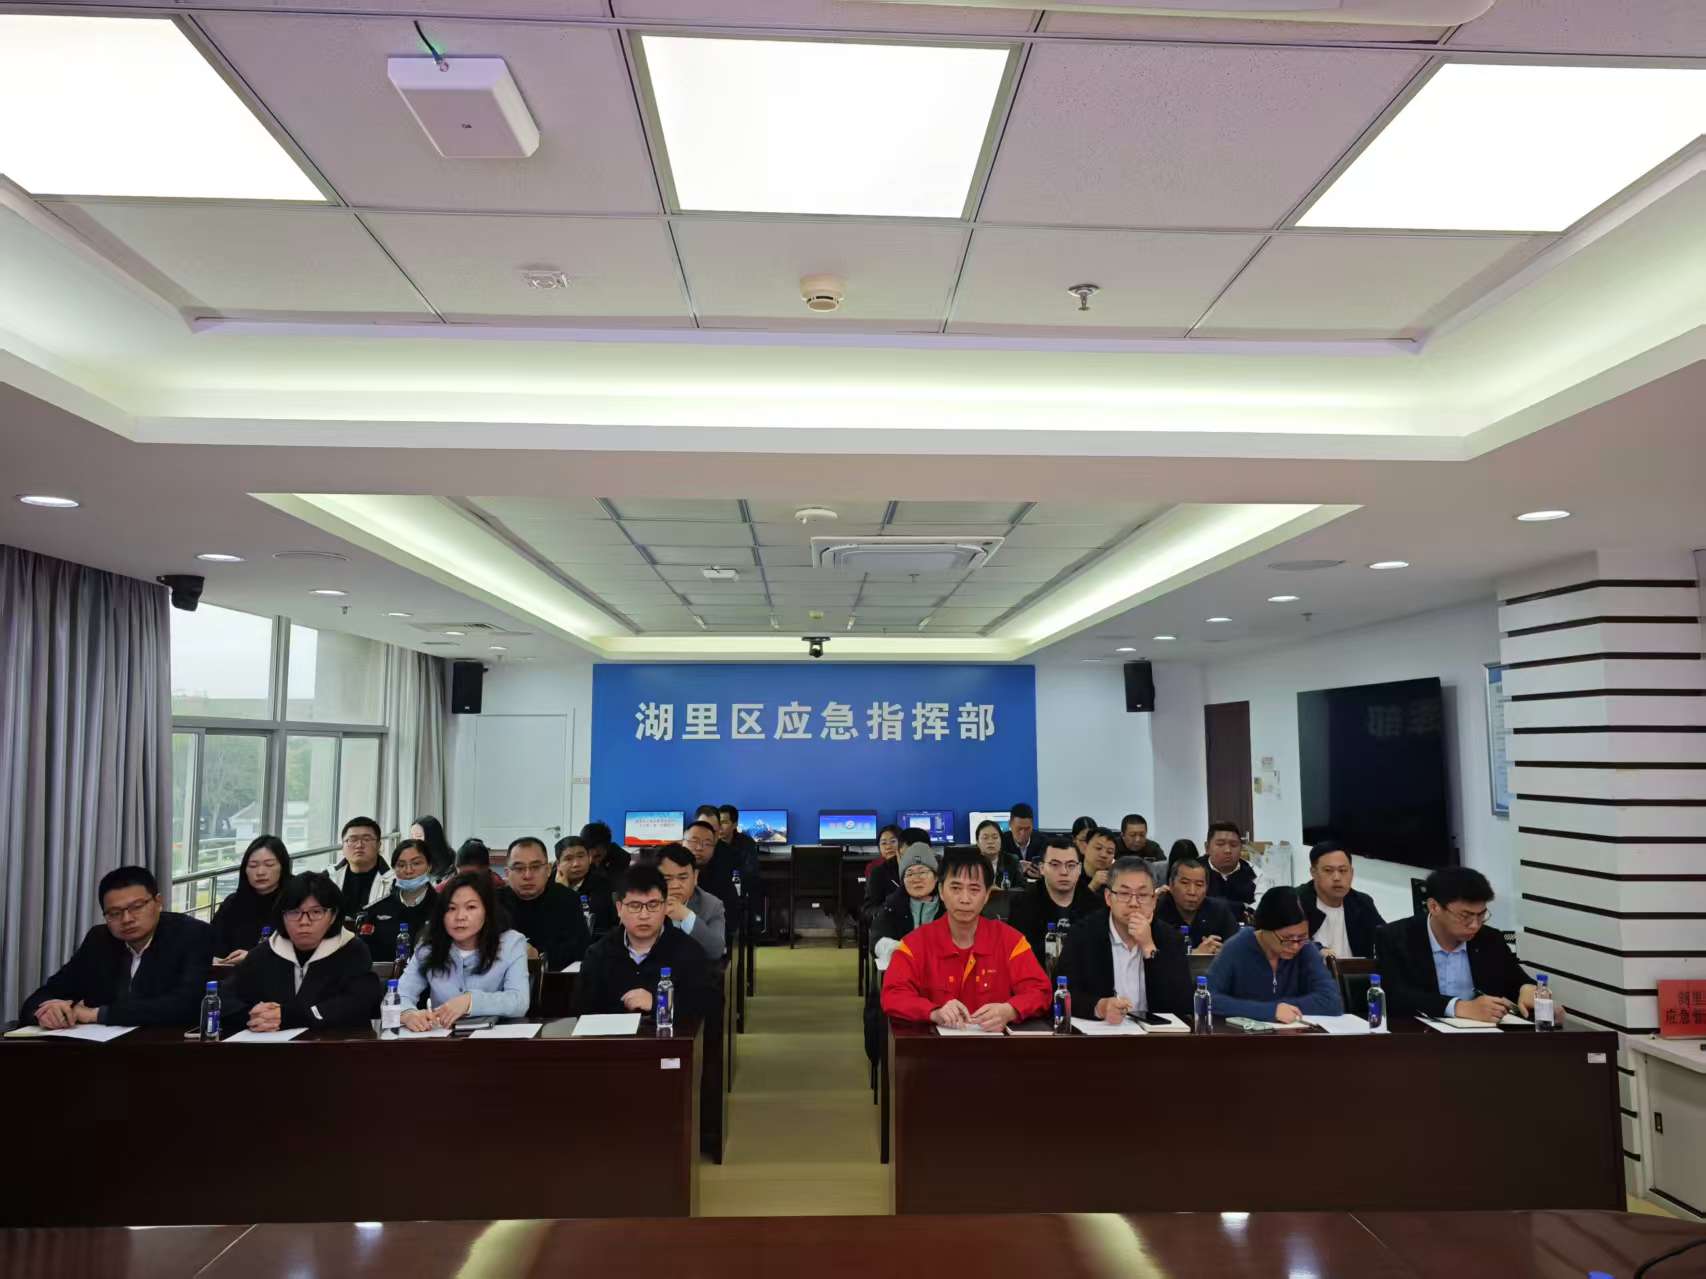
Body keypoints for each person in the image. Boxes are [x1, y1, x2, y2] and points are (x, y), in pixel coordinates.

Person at [20, 866, 213, 1028]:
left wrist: (96, 1015)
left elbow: (188, 1005)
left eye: (137, 907)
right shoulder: (99, 939)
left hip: (167, 1049)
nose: (127, 919)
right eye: (114, 913)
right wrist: (46, 1012)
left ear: (158, 902)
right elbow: (45, 994)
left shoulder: (192, 934)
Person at [879, 848, 1050, 1030]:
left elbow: (1040, 991)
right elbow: (892, 995)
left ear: (987, 895)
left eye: (974, 889)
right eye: (955, 888)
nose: (965, 899)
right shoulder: (914, 944)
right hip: (934, 1045)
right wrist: (933, 1012)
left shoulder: (1011, 941)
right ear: (941, 891)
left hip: (996, 1045)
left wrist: (1010, 1010)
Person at [1374, 866, 1558, 1024]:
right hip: (1419, 1040)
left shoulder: (1490, 939)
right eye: (1465, 916)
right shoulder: (1395, 937)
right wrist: (1460, 1007)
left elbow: (1517, 980)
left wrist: (1529, 990)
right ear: (1434, 907)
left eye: (1481, 915)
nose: (1475, 925)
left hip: (1484, 1041)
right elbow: (1394, 996)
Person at [219, 871, 382, 1033]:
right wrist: (254, 1016)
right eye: (294, 912)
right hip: (268, 1045)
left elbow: (358, 1003)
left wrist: (288, 1017)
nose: (304, 922)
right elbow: (225, 997)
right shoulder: (265, 952)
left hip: (331, 1044)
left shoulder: (352, 950)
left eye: (316, 912)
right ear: (282, 916)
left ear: (333, 916)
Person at [573, 863, 717, 1019]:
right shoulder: (598, 954)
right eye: (635, 906)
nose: (644, 915)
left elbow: (708, 1005)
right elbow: (580, 1009)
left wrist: (658, 1003)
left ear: (665, 907)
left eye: (653, 905)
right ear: (619, 909)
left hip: (668, 1034)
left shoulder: (688, 951)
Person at [1058, 857, 1192, 1021]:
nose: (1133, 903)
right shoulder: (1082, 935)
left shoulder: (1171, 939)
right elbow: (1062, 993)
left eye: (1142, 895)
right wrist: (1099, 1007)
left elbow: (1182, 1004)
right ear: (1108, 897)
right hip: (1102, 1032)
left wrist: (1149, 948)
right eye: (1124, 894)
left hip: (1154, 1034)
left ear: (1154, 901)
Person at [397, 871, 530, 1029]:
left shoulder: (511, 944)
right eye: (451, 908)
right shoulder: (428, 947)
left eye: (471, 907)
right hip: (442, 1038)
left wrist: (470, 1001)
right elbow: (401, 994)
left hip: (496, 1038)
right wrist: (408, 1013)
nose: (460, 916)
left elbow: (519, 1001)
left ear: (487, 911)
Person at [1205, 886, 1343, 1023]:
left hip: (1294, 1033)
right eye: (1287, 938)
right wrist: (1270, 1011)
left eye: (1302, 937)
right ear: (1264, 928)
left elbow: (1332, 1001)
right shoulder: (1236, 947)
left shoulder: (1306, 948)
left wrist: (1283, 1008)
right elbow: (1207, 998)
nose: (1295, 946)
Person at [864, 843, 940, 1063]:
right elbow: (877, 939)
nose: (916, 879)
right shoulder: (892, 905)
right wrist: (904, 952)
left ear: (936, 877)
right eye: (909, 874)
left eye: (923, 872)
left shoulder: (948, 906)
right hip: (903, 980)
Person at [498, 836, 591, 971]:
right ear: (507, 873)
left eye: (535, 867)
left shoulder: (568, 899)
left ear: (548, 870)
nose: (527, 875)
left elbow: (580, 952)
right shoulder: (493, 903)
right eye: (519, 868)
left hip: (554, 978)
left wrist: (539, 956)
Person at [1006, 836, 1097, 966]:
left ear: (1079, 869)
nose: (1064, 872)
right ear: (1042, 868)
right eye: (1055, 865)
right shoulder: (1022, 905)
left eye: (1071, 865)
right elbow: (1016, 956)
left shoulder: (1095, 906)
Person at [354, 838, 438, 964]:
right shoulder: (374, 911)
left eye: (416, 863)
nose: (409, 871)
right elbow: (362, 956)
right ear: (394, 869)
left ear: (429, 866)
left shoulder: (445, 907)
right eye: (401, 865)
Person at [1297, 841, 1385, 960]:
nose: (1337, 878)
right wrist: (1317, 950)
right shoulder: (1296, 901)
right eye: (1328, 870)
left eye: (1343, 870)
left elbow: (1386, 937)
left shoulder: (1362, 903)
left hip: (1355, 971)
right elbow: (1288, 941)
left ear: (1352, 873)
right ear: (1313, 873)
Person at [210, 835, 291, 964]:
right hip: (230, 971)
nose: (260, 872)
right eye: (253, 866)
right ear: (245, 870)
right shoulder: (233, 903)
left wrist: (253, 957)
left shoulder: (296, 900)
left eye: (269, 865)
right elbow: (212, 942)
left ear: (283, 866)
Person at [1154, 856, 1242, 955]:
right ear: (1171, 884)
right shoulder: (1156, 912)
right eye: (1185, 883)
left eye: (1199, 885)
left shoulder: (1219, 911)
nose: (1192, 892)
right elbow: (1152, 956)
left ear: (1207, 888)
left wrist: (1224, 953)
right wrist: (1194, 954)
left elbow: (1238, 950)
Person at [658, 842, 726, 961]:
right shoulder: (644, 902)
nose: (675, 885)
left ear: (695, 877)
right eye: (667, 879)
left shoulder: (712, 905)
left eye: (683, 878)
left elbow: (716, 950)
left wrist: (686, 916)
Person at [328, 816, 392, 916]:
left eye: (366, 839)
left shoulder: (395, 880)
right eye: (352, 840)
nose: (359, 845)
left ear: (379, 845)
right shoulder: (328, 877)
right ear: (343, 846)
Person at [556, 835, 616, 935]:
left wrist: (567, 893)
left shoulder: (602, 885)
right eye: (568, 859)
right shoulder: (547, 884)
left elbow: (596, 924)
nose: (576, 864)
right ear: (558, 864)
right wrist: (560, 891)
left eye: (581, 856)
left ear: (589, 858)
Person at [1203, 821, 1256, 908]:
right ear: (1207, 847)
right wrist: (1241, 907)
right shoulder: (1193, 871)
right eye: (1220, 844)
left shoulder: (1255, 874)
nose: (1228, 850)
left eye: (1234, 845)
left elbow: (1258, 909)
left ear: (1241, 848)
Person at [682, 819, 735, 904]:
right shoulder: (666, 872)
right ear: (682, 842)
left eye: (707, 844)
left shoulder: (723, 882)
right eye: (694, 841)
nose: (699, 848)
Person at [862, 824, 905, 921]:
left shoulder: (912, 866)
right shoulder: (876, 870)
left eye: (893, 841)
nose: (888, 846)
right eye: (884, 843)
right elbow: (869, 909)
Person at [716, 804, 762, 883]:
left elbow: (750, 872)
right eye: (718, 822)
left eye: (724, 822)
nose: (719, 827)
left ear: (735, 824)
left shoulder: (747, 843)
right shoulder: (711, 842)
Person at [975, 819, 1022, 890]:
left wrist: (1002, 892)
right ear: (978, 842)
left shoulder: (1012, 860)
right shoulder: (971, 863)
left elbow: (1022, 888)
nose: (990, 841)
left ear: (1001, 840)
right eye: (985, 838)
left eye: (995, 837)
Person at [410, 814, 456, 880]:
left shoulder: (449, 863)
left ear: (432, 838)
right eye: (412, 836)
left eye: (418, 836)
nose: (414, 841)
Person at [1001, 803, 1041, 878]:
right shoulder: (1001, 842)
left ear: (1032, 825)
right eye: (1019, 829)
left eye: (1027, 829)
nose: (1023, 833)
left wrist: (1043, 875)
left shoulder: (1043, 841)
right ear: (1010, 824)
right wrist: (1015, 867)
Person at [1081, 826, 1119, 895]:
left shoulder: (1116, 879)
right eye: (1098, 848)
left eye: (1109, 852)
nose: (1103, 855)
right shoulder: (1070, 874)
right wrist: (1092, 887)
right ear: (1084, 848)